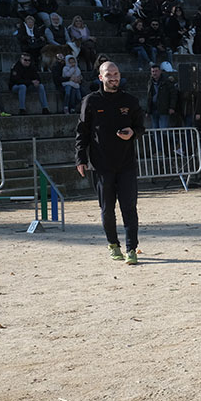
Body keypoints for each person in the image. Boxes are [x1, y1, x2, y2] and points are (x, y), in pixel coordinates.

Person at [75, 62, 145, 265]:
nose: (113, 78)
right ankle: (113, 245)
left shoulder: (130, 101)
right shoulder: (90, 101)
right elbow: (82, 132)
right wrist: (80, 158)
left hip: (126, 164)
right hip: (101, 165)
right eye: (109, 74)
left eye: (116, 74)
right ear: (101, 77)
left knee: (129, 208)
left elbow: (140, 127)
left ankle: (131, 248)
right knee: (107, 209)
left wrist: (133, 133)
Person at [146, 64, 179, 129]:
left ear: (160, 71)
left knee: (163, 129)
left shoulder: (167, 82)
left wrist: (172, 107)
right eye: (153, 71)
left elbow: (173, 95)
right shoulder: (150, 82)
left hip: (164, 109)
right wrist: (147, 110)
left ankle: (170, 139)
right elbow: (149, 96)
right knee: (155, 129)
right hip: (153, 109)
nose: (154, 73)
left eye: (156, 71)